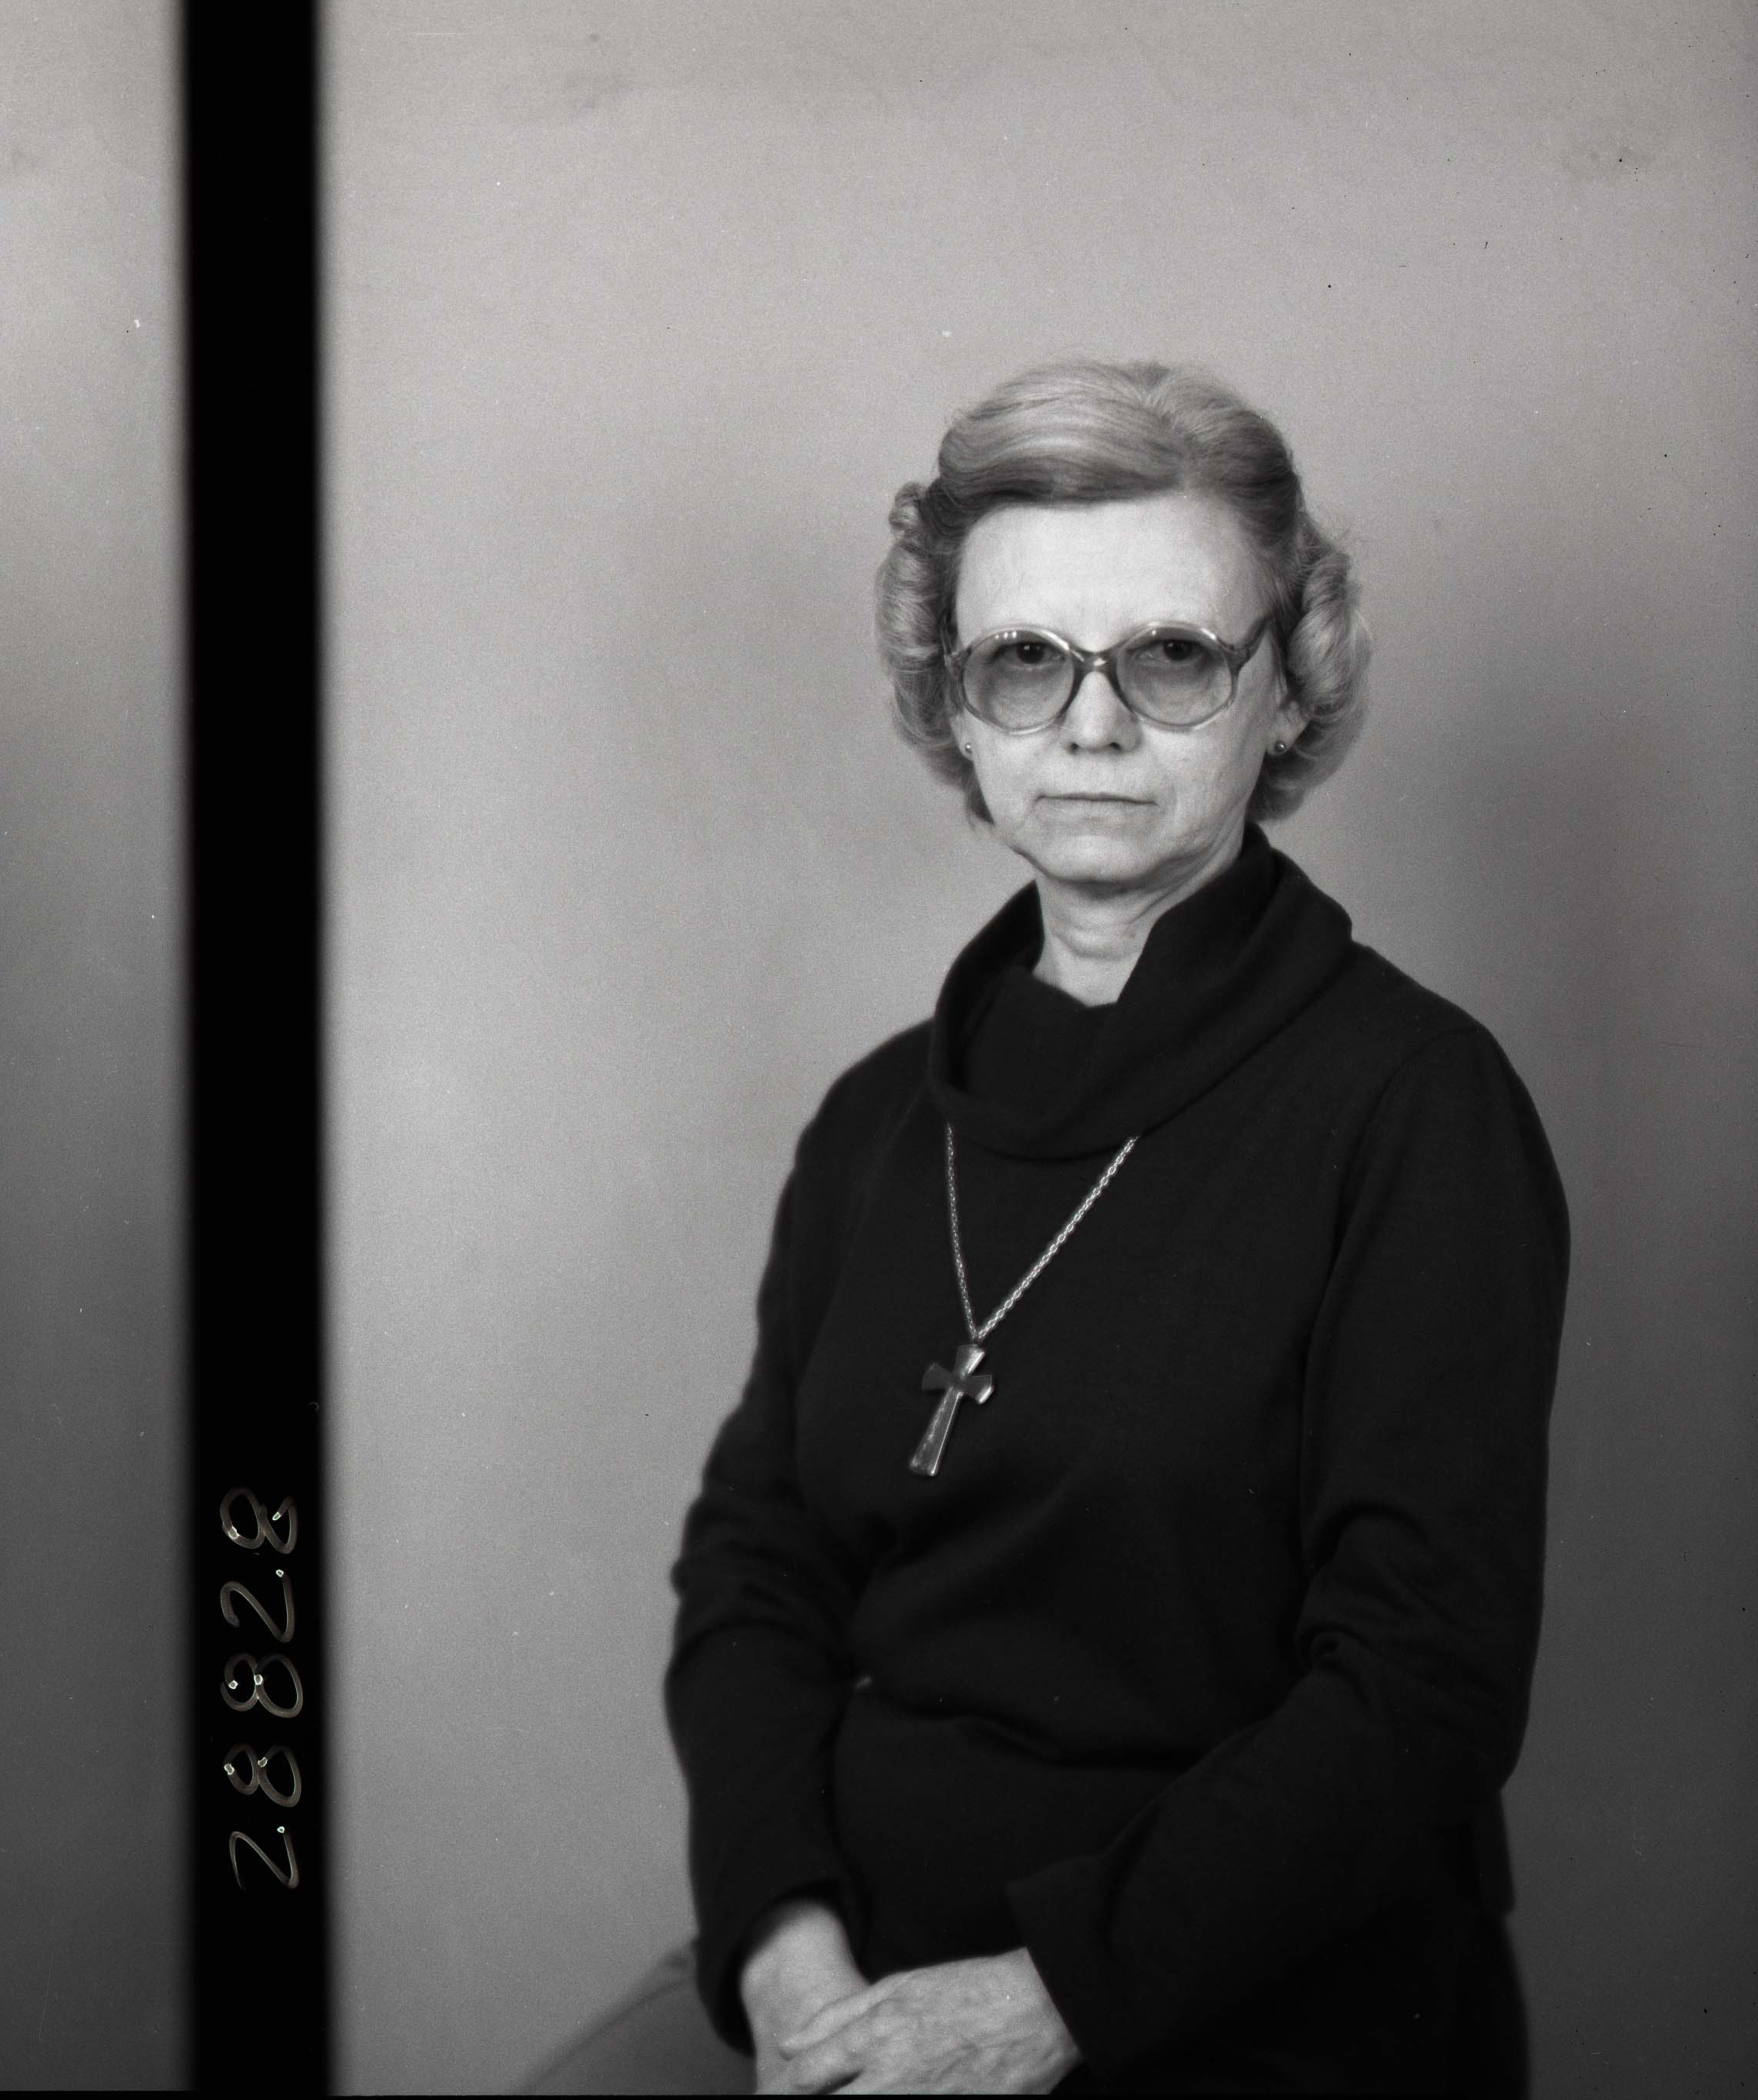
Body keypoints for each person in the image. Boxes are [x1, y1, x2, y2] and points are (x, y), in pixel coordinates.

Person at [666, 359, 1565, 2093]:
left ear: (1286, 690)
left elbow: (1421, 1685)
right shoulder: (876, 1120)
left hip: (1247, 2003)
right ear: (954, 706)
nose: (1089, 728)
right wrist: (780, 1949)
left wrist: (1044, 2005)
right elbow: (756, 1568)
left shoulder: (1411, 1106)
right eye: (1024, 659)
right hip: (863, 1974)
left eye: (1168, 656)